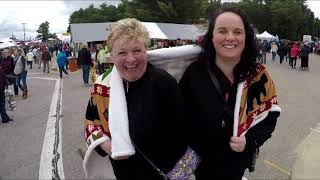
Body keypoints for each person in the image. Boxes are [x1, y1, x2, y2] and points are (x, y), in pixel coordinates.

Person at [179, 8, 281, 180]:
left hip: (237, 163)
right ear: (211, 36)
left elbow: (270, 116)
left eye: (237, 32)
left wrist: (250, 141)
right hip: (204, 166)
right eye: (222, 31)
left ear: (246, 37)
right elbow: (176, 116)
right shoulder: (194, 73)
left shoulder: (258, 75)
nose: (230, 37)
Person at [83, 18, 190, 180]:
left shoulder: (163, 83)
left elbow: (182, 137)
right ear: (111, 55)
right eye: (122, 52)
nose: (131, 59)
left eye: (137, 50)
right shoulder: (102, 84)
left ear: (146, 49)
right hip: (121, 174)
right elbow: (91, 122)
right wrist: (108, 146)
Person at [0, 52, 13, 123]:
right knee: (2, 103)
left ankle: (5, 117)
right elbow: (3, 79)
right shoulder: (1, 70)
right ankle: (5, 118)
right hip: (0, 89)